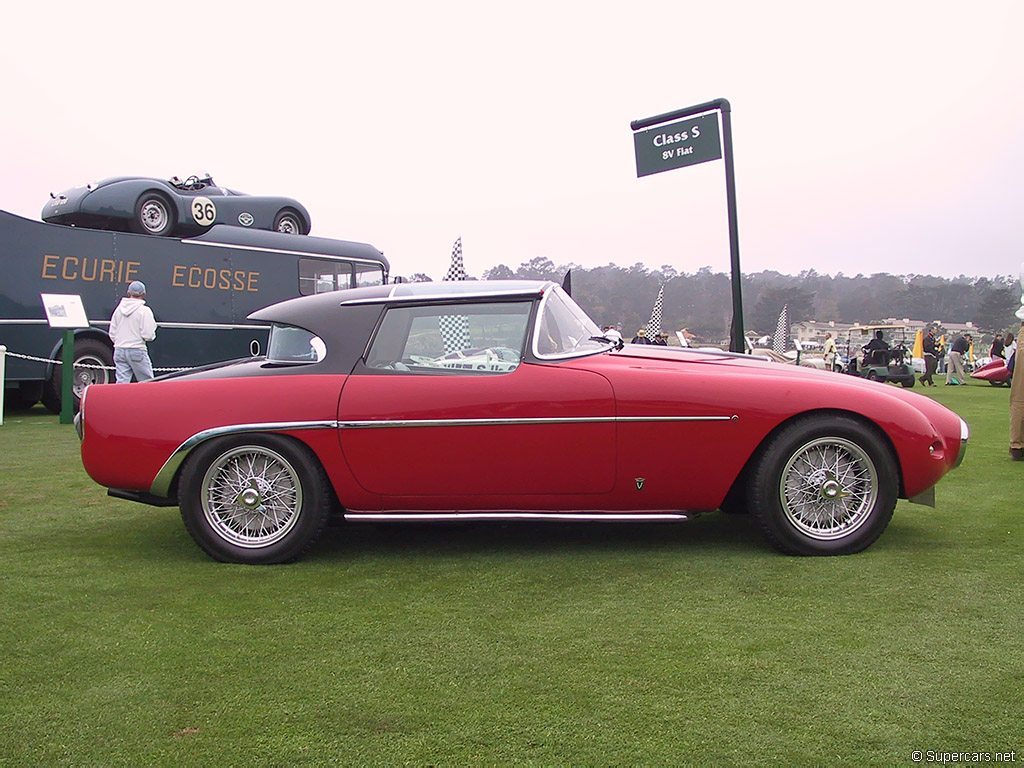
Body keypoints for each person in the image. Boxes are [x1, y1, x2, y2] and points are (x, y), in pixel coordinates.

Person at [109, 280, 157, 383]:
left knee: (121, 383)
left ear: (128, 293)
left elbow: (112, 333)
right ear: (143, 294)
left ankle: (119, 399)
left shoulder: (118, 310)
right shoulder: (144, 311)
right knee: (147, 383)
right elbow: (148, 335)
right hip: (137, 350)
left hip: (119, 350)